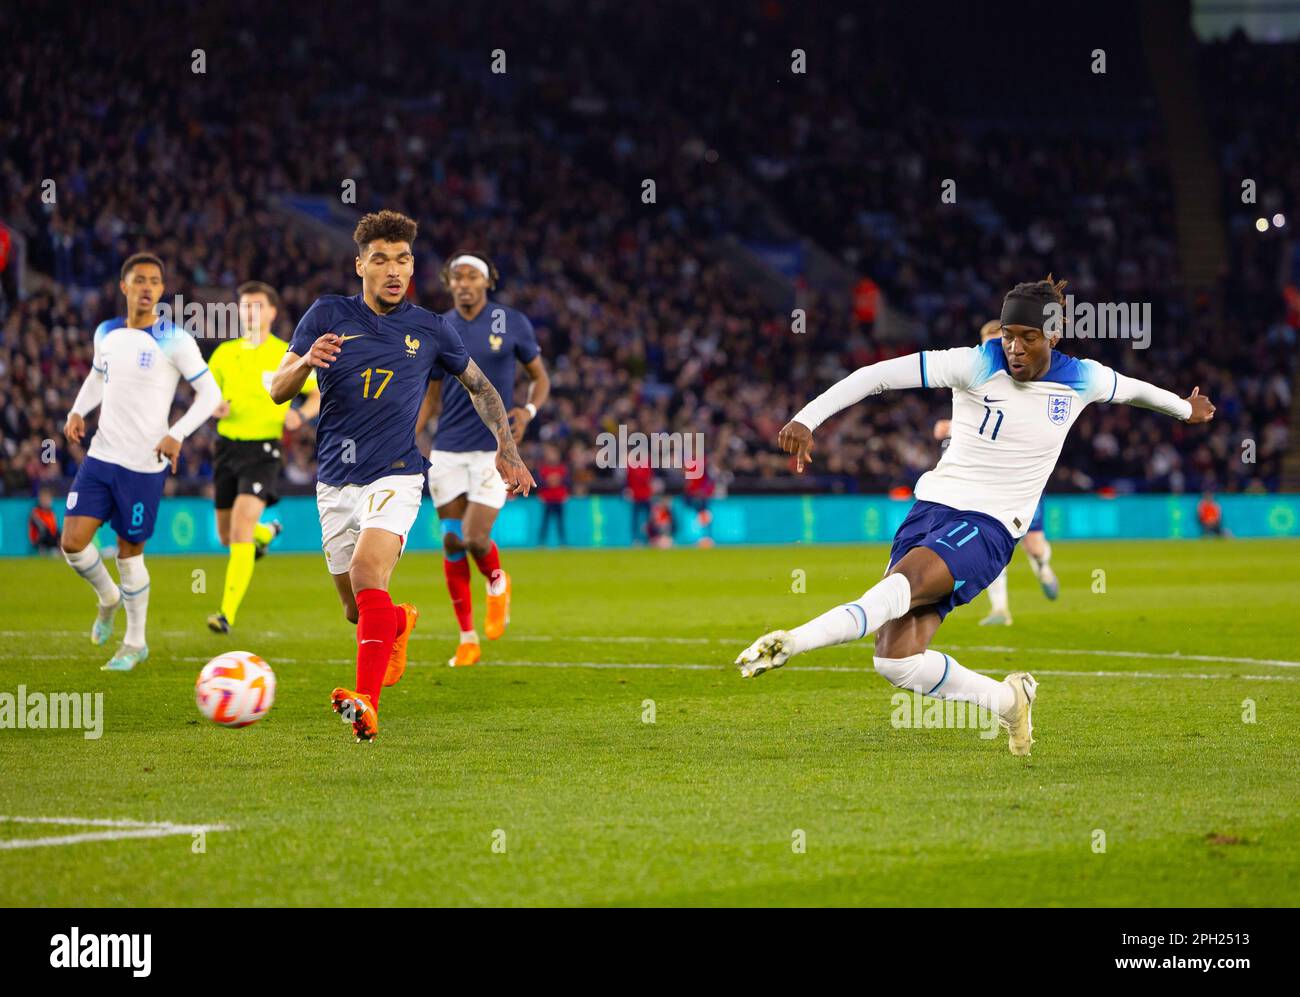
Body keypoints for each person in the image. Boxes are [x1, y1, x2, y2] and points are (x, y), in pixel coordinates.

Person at [735, 276, 1215, 756]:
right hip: (932, 509)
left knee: (899, 587)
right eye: (1008, 335)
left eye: (1028, 337)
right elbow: (876, 375)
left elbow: (1137, 392)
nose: (1014, 347)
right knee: (896, 661)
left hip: (990, 527)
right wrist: (806, 418)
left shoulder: (1084, 378)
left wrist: (1185, 409)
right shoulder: (974, 362)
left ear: (1053, 335)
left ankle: (791, 642)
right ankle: (1009, 700)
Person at [270, 211, 534, 741]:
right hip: (335, 479)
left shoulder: (431, 329)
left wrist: (507, 449)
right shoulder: (325, 315)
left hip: (397, 473)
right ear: (360, 265)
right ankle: (398, 622)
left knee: (369, 576)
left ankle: (366, 703)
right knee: (356, 609)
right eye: (382, 259)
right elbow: (277, 390)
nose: (395, 270)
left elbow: (481, 387)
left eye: (404, 259)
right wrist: (304, 365)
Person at [61, 253, 222, 670]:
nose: (147, 287)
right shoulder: (107, 333)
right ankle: (108, 596)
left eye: (154, 281)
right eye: (139, 280)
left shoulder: (176, 340)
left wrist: (177, 433)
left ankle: (135, 642)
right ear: (124, 286)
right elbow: (98, 377)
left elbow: (210, 396)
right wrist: (77, 411)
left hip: (145, 464)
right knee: (72, 545)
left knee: (129, 555)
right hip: (101, 456)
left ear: (162, 290)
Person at [416, 251, 549, 667]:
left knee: (474, 537)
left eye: (472, 275)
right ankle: (467, 637)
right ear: (449, 283)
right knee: (452, 542)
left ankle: (496, 580)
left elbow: (539, 378)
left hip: (495, 449)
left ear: (487, 280)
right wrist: (409, 431)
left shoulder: (510, 323)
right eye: (456, 277)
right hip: (447, 451)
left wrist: (527, 412)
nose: (463, 283)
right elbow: (433, 396)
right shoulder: (440, 327)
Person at [205, 281, 320, 633]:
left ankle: (225, 614)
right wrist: (214, 406)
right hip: (226, 449)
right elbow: (205, 395)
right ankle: (265, 535)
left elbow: (315, 395)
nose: (250, 312)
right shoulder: (223, 354)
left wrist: (300, 416)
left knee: (238, 531)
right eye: (245, 306)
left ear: (272, 312)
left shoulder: (287, 353)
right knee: (227, 536)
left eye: (257, 305)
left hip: (264, 450)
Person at [933, 320, 1059, 627]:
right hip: (985, 483)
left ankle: (1042, 565)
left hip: (1021, 479)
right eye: (990, 341)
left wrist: (951, 428)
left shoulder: (1024, 380)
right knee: (988, 539)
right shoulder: (973, 374)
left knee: (1034, 544)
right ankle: (1001, 609)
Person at [536, 443, 570, 546]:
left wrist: (565, 492)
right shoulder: (543, 469)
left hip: (559, 499)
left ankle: (563, 543)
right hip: (547, 499)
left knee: (560, 523)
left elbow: (568, 482)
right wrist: (549, 482)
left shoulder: (563, 468)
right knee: (545, 522)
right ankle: (541, 543)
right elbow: (538, 482)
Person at [28, 487, 59, 554]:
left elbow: (54, 528)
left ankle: (57, 550)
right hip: (39, 539)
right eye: (44, 499)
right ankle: (44, 549)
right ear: (40, 500)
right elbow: (41, 527)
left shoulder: (51, 513)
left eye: (48, 499)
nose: (46, 502)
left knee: (58, 533)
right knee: (45, 531)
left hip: (51, 539)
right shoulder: (36, 512)